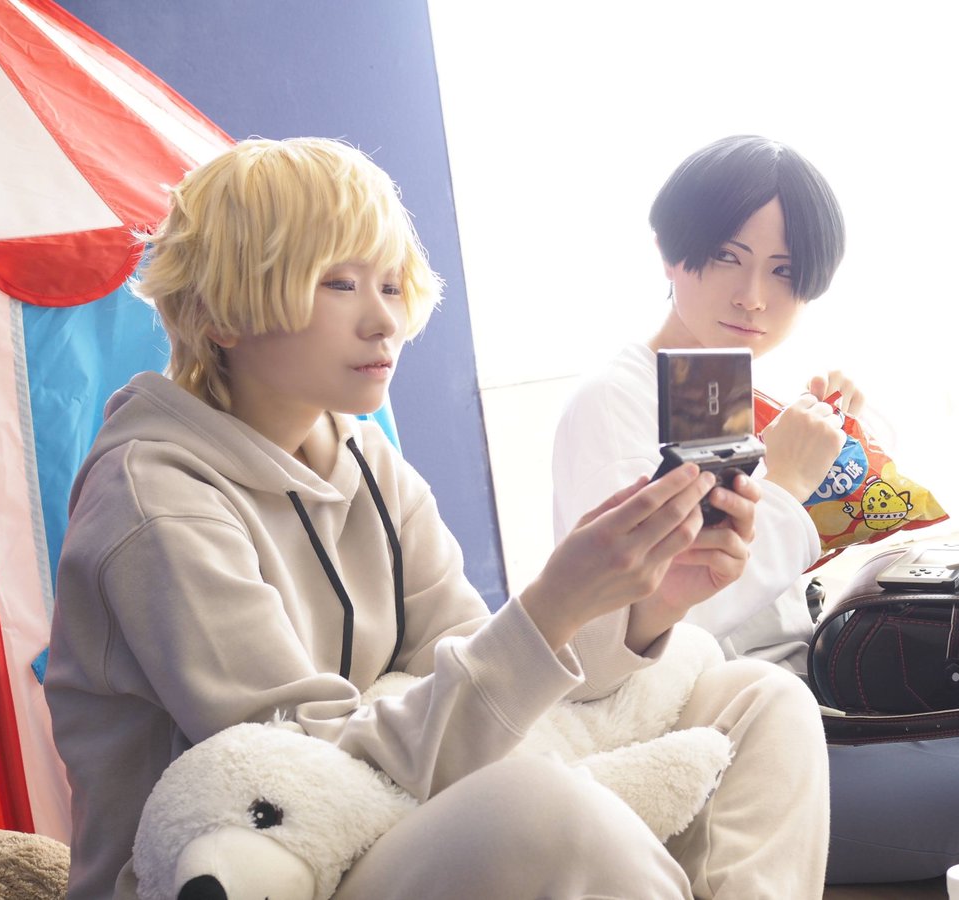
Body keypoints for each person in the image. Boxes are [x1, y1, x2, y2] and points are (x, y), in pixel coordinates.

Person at [42, 137, 830, 900]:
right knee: (537, 809)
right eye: (339, 284)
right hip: (263, 860)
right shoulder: (153, 498)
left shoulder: (366, 459)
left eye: (391, 285)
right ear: (222, 313)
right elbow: (293, 774)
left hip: (386, 814)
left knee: (761, 702)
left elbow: (473, 673)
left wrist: (646, 603)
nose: (383, 320)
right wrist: (551, 604)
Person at [552, 134, 959, 887]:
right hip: (724, 732)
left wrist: (836, 456)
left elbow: (771, 584)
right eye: (727, 256)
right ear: (670, 250)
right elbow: (644, 627)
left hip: (812, 687)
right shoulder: (616, 402)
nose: (754, 295)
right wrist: (787, 486)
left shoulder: (714, 384)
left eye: (784, 270)